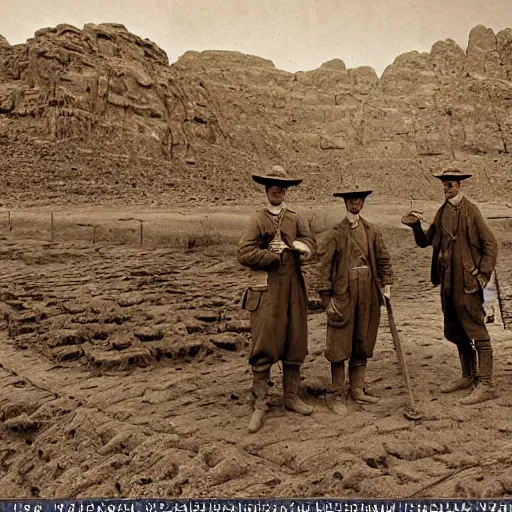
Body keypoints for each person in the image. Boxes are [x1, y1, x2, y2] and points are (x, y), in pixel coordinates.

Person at [402, 166, 499, 405]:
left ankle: (485, 384)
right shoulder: (442, 212)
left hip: (467, 284)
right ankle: (468, 376)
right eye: (444, 184)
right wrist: (414, 226)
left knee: (477, 331)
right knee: (454, 330)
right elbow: (426, 242)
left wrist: (483, 275)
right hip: (447, 283)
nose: (447, 189)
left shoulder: (471, 211)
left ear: (459, 186)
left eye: (451, 184)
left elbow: (491, 246)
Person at [238, 165, 317, 433]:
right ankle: (260, 402)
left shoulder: (296, 218)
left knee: (295, 338)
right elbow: (244, 253)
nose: (278, 190)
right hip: (266, 290)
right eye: (273, 186)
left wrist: (294, 248)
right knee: (264, 341)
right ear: (266, 189)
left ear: (287, 190)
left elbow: (310, 245)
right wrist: (271, 255)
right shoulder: (257, 219)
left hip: (294, 288)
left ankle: (292, 396)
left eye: (282, 187)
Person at [316, 185, 393, 415]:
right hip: (343, 295)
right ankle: (338, 393)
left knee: (363, 339)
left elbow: (383, 260)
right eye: (351, 200)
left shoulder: (372, 231)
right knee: (339, 343)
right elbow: (323, 269)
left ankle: (357, 389)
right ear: (345, 202)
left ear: (363, 202)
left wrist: (387, 284)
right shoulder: (335, 234)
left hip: (368, 294)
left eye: (359, 199)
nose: (355, 203)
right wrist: (326, 299)